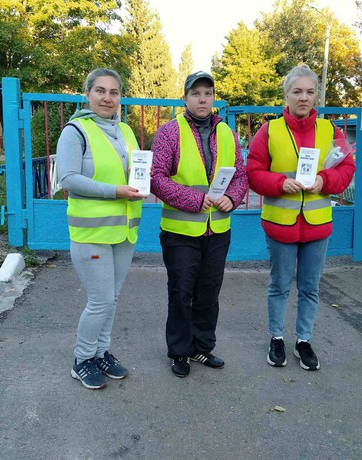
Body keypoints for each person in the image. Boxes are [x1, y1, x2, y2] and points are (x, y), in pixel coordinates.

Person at [246, 64, 356, 371]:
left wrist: (325, 180)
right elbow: (253, 172)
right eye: (297, 92)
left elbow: (347, 168)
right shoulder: (270, 130)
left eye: (309, 92)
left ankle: (303, 341)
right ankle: (277, 338)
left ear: (316, 95)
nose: (303, 98)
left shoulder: (330, 130)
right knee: (279, 285)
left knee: (310, 288)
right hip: (281, 225)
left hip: (317, 227)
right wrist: (280, 183)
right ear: (287, 95)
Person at [151, 71, 248, 378]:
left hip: (217, 230)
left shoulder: (227, 133)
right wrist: (193, 199)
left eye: (208, 93)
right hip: (180, 232)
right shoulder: (169, 132)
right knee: (181, 292)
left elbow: (240, 175)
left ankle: (201, 347)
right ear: (185, 98)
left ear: (213, 98)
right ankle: (179, 351)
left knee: (209, 292)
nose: (202, 99)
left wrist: (232, 198)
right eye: (196, 94)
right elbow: (156, 177)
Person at [57, 68, 147, 389]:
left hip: (123, 230)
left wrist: (140, 182)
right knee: (100, 300)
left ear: (120, 97)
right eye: (100, 91)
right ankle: (82, 360)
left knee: (112, 298)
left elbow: (133, 171)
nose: (107, 98)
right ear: (87, 94)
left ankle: (101, 353)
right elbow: (68, 179)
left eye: (114, 92)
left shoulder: (125, 130)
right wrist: (116, 191)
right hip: (91, 233)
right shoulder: (75, 131)